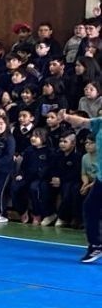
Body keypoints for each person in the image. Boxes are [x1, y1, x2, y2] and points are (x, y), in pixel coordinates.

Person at [60, 110, 102, 263]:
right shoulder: (100, 122)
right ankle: (96, 245)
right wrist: (66, 117)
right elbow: (84, 122)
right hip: (101, 178)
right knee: (90, 207)